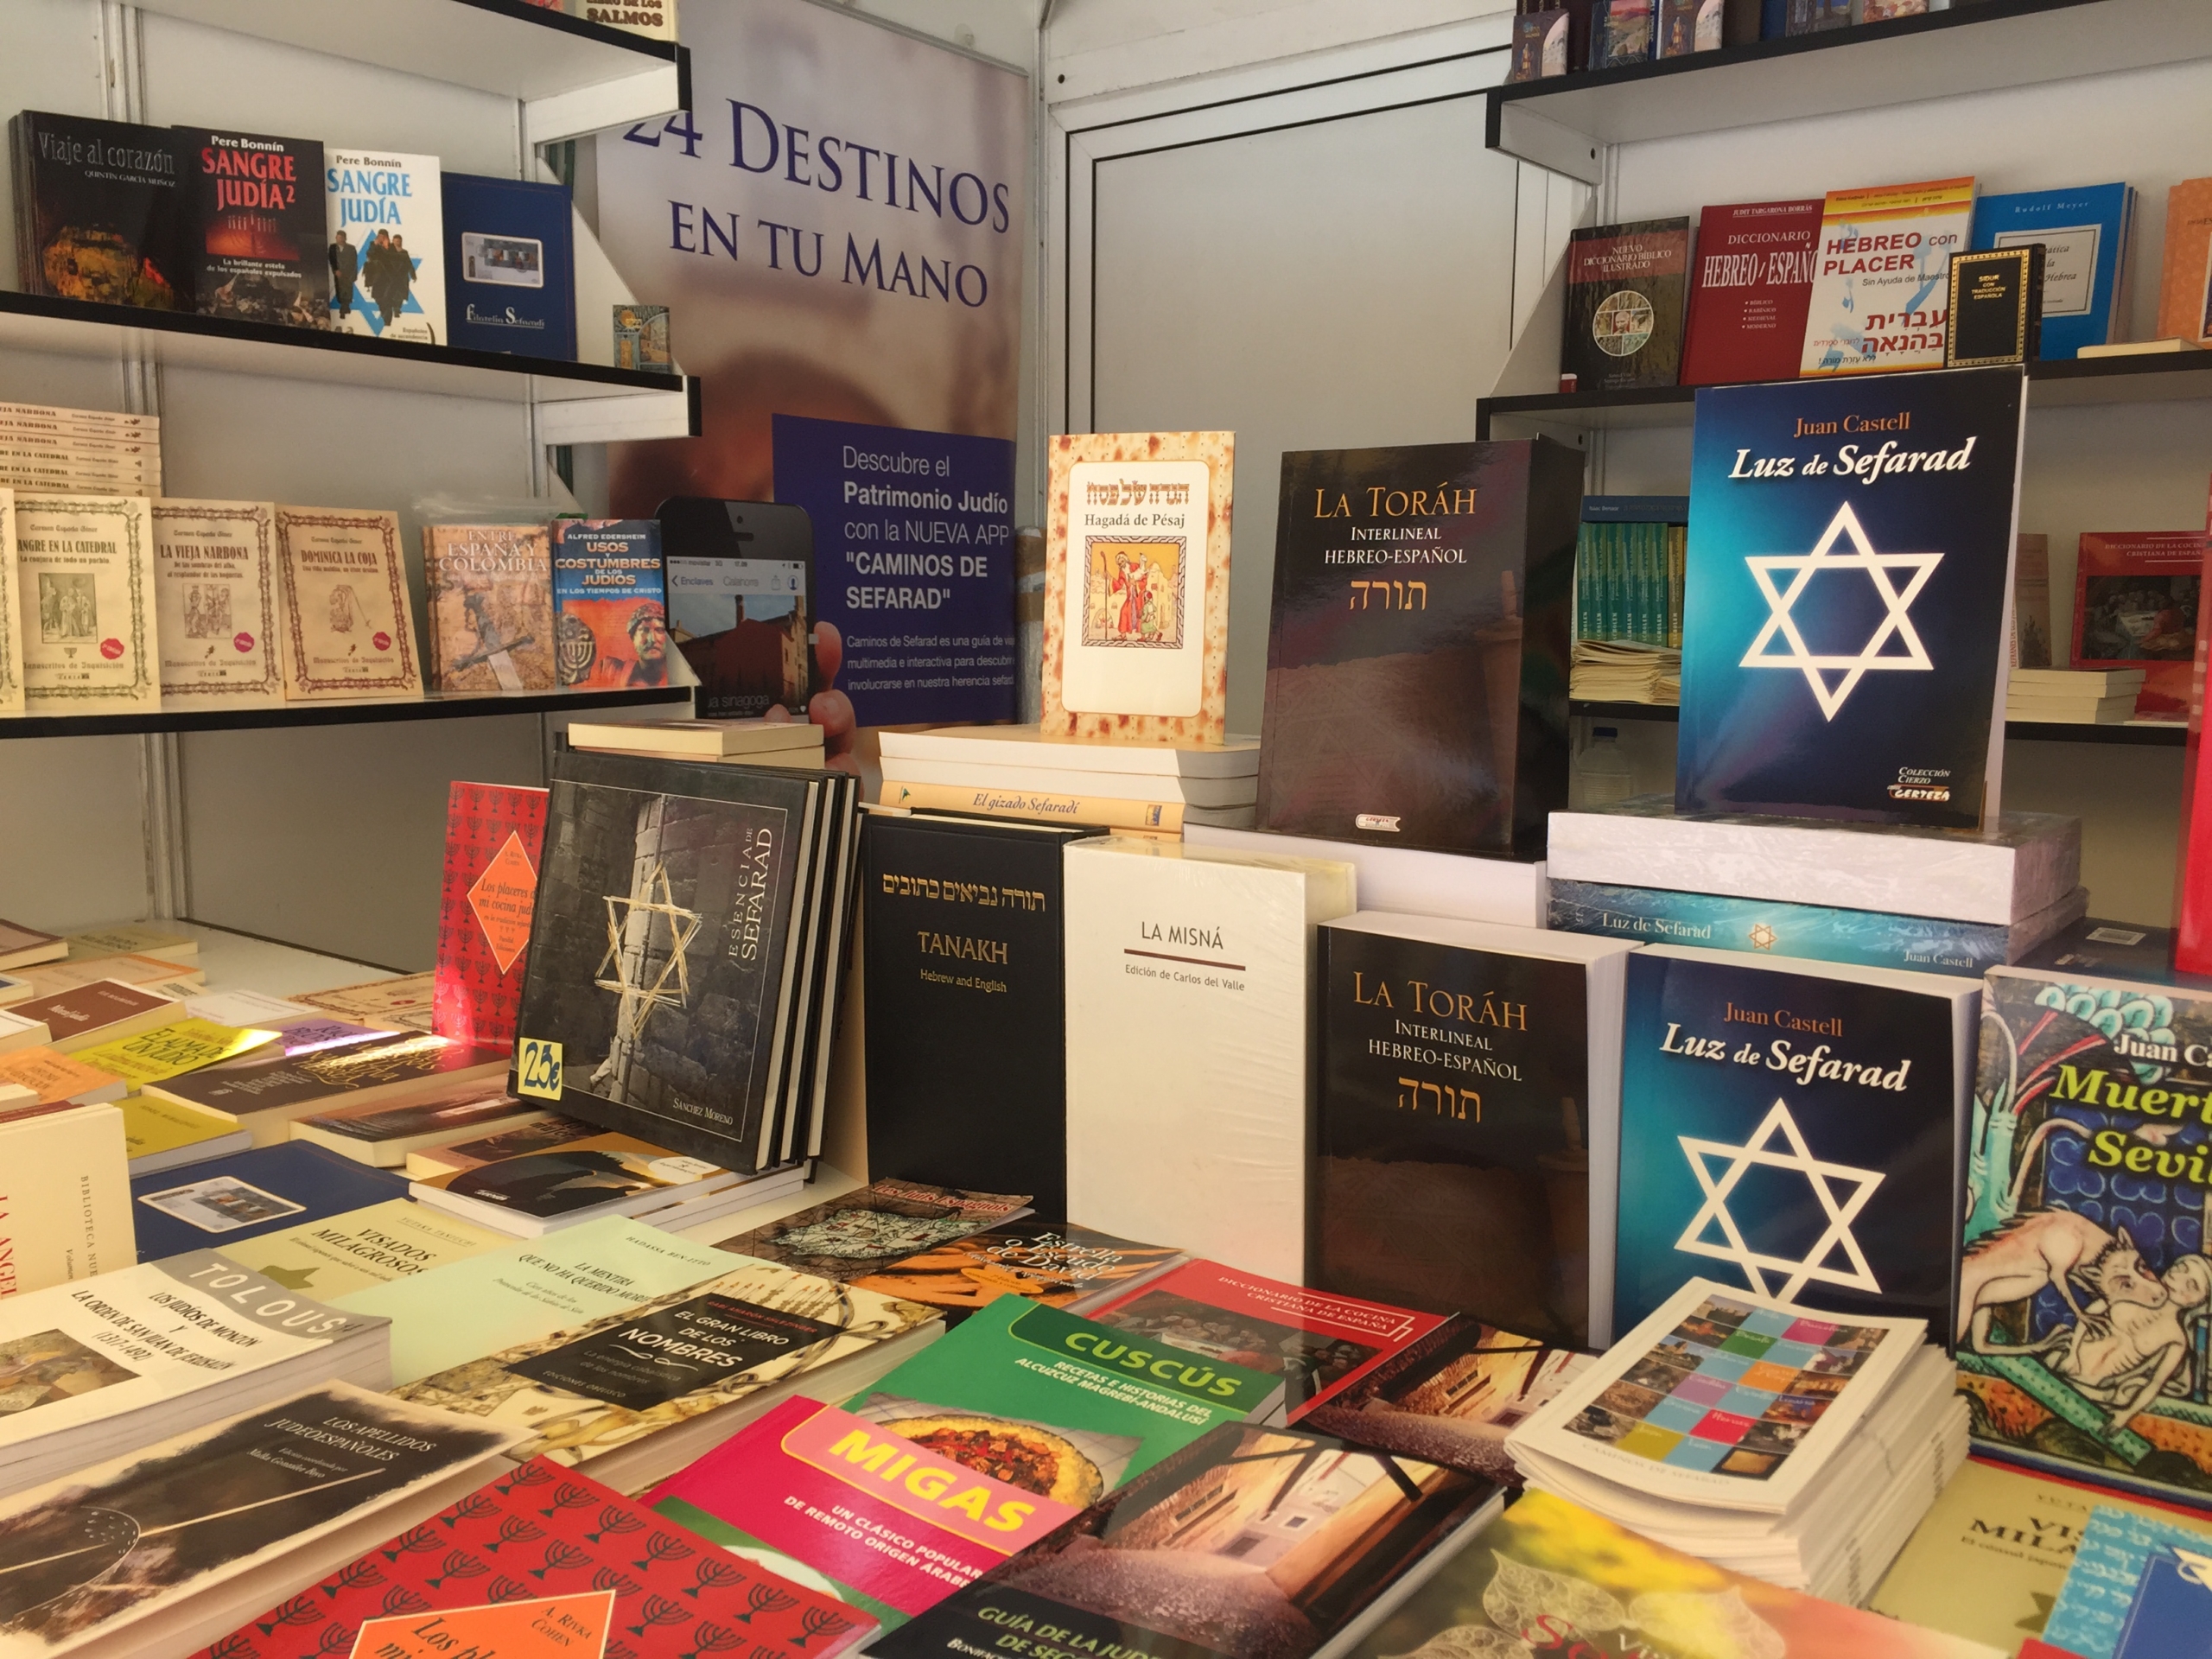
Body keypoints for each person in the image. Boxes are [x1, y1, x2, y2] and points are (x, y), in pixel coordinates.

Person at [327, 228, 358, 321]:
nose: (338, 239)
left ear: (344, 238)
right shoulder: (332, 247)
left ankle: (343, 310)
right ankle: (346, 307)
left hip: (348, 274)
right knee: (340, 291)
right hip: (338, 274)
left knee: (347, 291)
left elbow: (354, 262)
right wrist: (336, 270)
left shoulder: (351, 248)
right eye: (337, 237)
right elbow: (332, 260)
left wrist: (353, 274)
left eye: (340, 237)